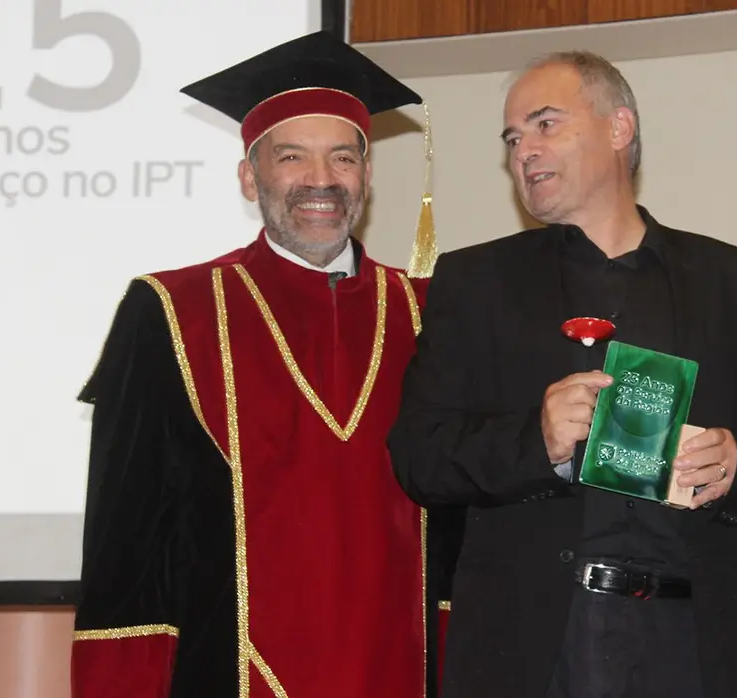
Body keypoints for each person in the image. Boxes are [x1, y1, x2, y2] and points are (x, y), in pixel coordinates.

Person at [388, 51, 737, 698]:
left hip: (692, 643)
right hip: (533, 647)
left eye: (545, 124)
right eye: (511, 137)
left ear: (619, 128)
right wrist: (538, 441)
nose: (522, 149)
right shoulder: (476, 283)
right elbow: (419, 453)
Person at [69, 31, 461, 698]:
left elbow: (460, 531)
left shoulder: (430, 313)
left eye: (343, 158)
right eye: (291, 157)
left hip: (403, 670)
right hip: (227, 670)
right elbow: (128, 543)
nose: (321, 181)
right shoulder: (172, 311)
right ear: (250, 177)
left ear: (367, 175)